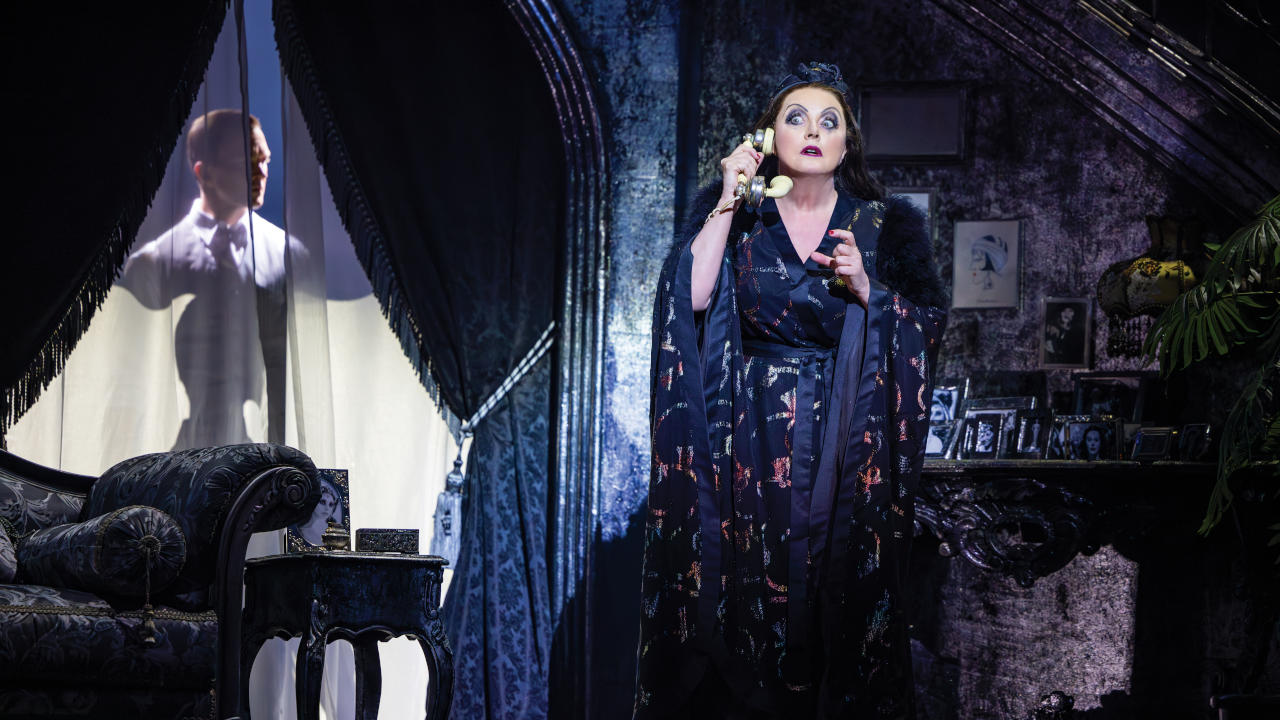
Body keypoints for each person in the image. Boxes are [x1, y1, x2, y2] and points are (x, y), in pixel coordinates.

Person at [638, 62, 947, 719]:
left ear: (847, 143)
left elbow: (926, 326)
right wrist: (728, 196)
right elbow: (689, 299)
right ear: (769, 136)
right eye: (796, 118)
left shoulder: (885, 226)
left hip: (846, 433)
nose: (812, 131)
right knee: (749, 583)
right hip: (748, 435)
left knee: (833, 585)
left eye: (829, 122)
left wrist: (869, 290)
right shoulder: (741, 218)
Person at [117, 109, 294, 449]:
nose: (261, 172)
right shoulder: (153, 263)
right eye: (245, 163)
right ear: (204, 173)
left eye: (265, 161)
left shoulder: (288, 255)